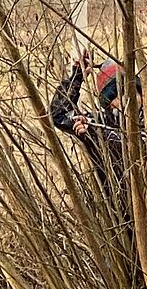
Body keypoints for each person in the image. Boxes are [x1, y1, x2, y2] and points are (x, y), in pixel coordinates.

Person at [49, 54, 127, 198]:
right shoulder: (99, 121)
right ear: (108, 104)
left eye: (126, 91)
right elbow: (59, 115)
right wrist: (77, 77)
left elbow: (131, 147)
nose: (122, 100)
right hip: (113, 209)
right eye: (114, 97)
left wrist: (95, 133)